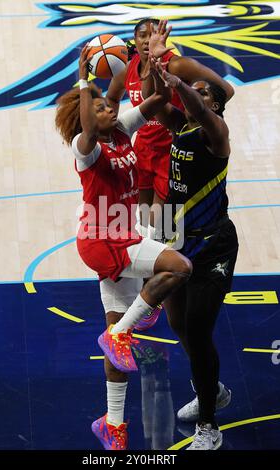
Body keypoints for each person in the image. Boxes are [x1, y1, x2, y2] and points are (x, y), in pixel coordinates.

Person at [55, 40, 192, 451]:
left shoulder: (122, 128)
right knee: (180, 267)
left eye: (108, 105)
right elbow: (89, 123)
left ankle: (113, 425)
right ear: (85, 119)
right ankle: (123, 329)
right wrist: (82, 80)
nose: (109, 108)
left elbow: (160, 99)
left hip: (121, 238)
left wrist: (150, 61)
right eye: (99, 108)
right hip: (102, 241)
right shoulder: (87, 149)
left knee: (119, 349)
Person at [106, 17, 234, 330]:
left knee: (163, 226)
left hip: (170, 152)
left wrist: (194, 116)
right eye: (142, 35)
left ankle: (158, 291)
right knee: (143, 221)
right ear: (134, 41)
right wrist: (112, 122)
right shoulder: (131, 68)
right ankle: (150, 284)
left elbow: (225, 91)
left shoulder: (179, 65)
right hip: (143, 151)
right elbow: (115, 97)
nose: (147, 39)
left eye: (153, 34)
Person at [142, 51, 238, 449]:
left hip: (214, 243)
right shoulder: (181, 126)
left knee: (198, 330)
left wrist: (181, 82)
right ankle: (210, 387)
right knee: (178, 324)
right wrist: (152, 69)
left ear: (214, 104)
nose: (190, 97)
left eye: (200, 94)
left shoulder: (217, 134)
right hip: (177, 238)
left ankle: (209, 425)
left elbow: (194, 100)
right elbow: (152, 105)